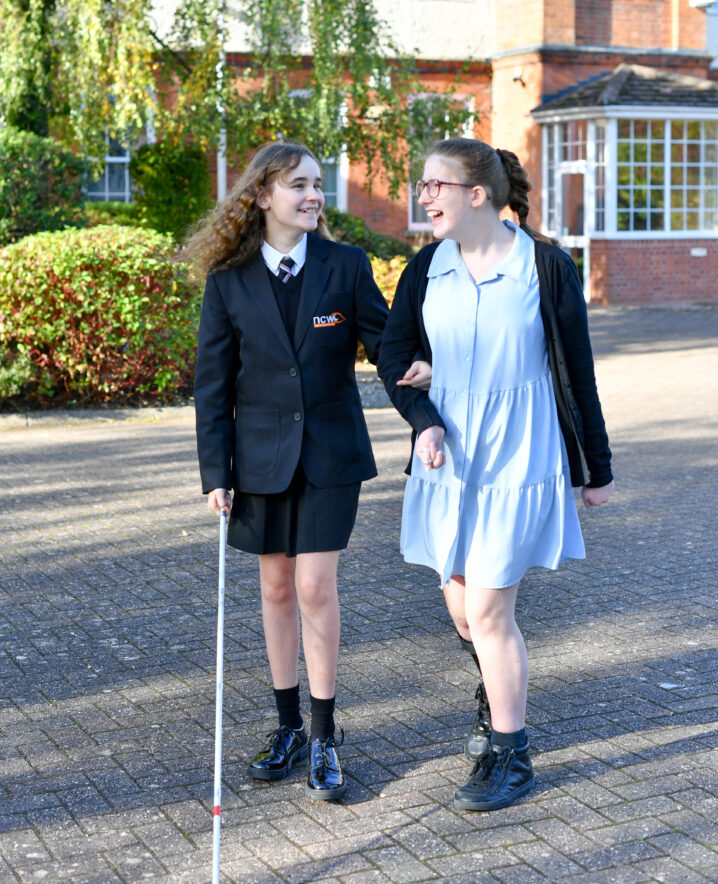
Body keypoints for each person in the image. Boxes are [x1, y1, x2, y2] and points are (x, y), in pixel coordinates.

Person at [378, 137, 614, 812]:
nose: (423, 196)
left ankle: (511, 754)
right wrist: (421, 416)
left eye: (434, 185)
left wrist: (594, 467)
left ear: (475, 193)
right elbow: (396, 354)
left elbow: (576, 369)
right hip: (447, 456)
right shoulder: (424, 268)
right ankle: (493, 692)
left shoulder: (543, 266)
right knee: (460, 610)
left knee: (487, 608)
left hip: (519, 452)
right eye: (420, 185)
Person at [191, 141, 428, 801]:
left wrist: (424, 409)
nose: (313, 195)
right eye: (298, 184)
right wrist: (217, 470)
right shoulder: (229, 280)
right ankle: (288, 726)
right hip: (257, 458)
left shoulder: (346, 267)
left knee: (315, 586)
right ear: (262, 196)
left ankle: (325, 735)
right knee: (274, 589)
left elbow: (389, 350)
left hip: (330, 453)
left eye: (318, 184)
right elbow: (213, 386)